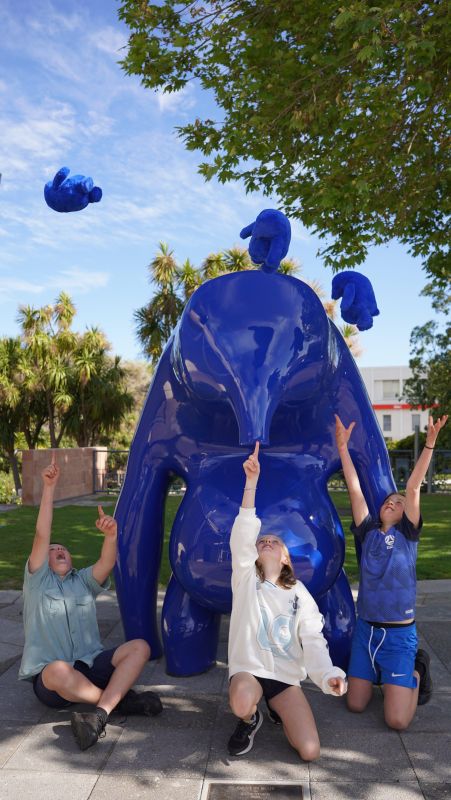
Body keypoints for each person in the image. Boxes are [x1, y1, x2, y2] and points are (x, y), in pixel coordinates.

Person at [19, 453, 162, 751]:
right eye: (52, 549)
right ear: (41, 559)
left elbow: (106, 563)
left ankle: (100, 713)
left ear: (70, 560)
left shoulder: (82, 581)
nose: (58, 550)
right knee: (58, 669)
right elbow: (41, 533)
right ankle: (117, 701)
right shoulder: (37, 581)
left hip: (91, 663)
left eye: (63, 549)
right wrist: (48, 488)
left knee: (140, 647)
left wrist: (111, 536)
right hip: (54, 680)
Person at [227, 442, 347, 760]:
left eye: (274, 541)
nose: (266, 541)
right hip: (249, 672)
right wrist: (250, 482)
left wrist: (328, 675)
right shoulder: (245, 578)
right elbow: (243, 532)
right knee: (240, 700)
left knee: (310, 751)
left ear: (285, 558)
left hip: (283, 677)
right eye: (262, 541)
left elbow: (313, 641)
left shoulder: (300, 595)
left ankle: (277, 707)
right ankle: (249, 718)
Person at [335, 413, 448, 730]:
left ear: (405, 514)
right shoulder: (368, 531)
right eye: (389, 500)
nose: (394, 502)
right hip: (366, 632)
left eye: (399, 503)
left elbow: (412, 489)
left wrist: (428, 444)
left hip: (399, 636)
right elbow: (355, 489)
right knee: (355, 704)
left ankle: (415, 671)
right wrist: (342, 448)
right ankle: (383, 675)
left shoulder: (408, 535)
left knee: (397, 721)